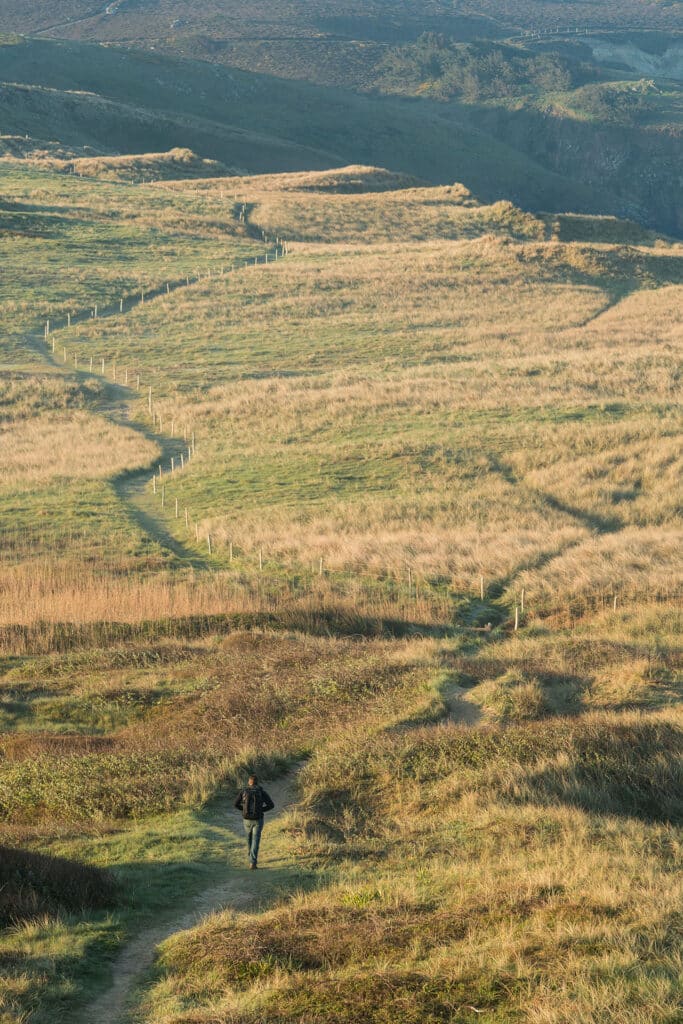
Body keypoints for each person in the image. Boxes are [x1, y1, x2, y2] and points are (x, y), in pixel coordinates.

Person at [234, 773, 275, 869]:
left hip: (246, 819)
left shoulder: (243, 791)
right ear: (257, 783)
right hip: (258, 819)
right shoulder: (261, 792)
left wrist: (243, 809)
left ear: (249, 782)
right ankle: (253, 862)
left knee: (248, 838)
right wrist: (261, 810)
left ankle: (250, 857)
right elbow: (271, 805)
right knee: (255, 840)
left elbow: (235, 804)